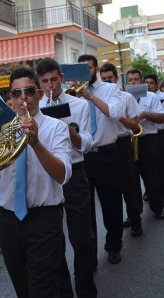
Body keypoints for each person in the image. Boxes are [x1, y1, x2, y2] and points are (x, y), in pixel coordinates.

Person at [0, 67, 72, 297]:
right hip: (8, 220)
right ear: (10, 100)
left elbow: (62, 174)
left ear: (40, 94)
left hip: (44, 219)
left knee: (42, 290)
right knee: (22, 289)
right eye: (16, 93)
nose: (23, 97)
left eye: (29, 91)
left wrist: (36, 143)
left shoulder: (56, 128)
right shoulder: (2, 132)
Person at [38, 58, 96, 298]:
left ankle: (85, 289)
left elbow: (87, 144)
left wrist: (68, 132)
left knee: (81, 238)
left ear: (61, 78)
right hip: (48, 175)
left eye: (54, 79)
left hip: (75, 171)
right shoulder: (36, 107)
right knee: (53, 242)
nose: (50, 86)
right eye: (44, 82)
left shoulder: (79, 105)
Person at [77, 54, 124, 265]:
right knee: (85, 212)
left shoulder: (110, 89)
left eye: (87, 68)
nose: (84, 72)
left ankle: (114, 246)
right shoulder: (73, 94)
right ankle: (90, 257)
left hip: (106, 153)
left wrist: (91, 97)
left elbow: (114, 113)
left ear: (95, 69)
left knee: (111, 204)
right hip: (83, 157)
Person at [99, 63, 143, 238]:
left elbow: (135, 126)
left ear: (116, 78)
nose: (108, 81)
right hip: (105, 148)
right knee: (110, 191)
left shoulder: (126, 97)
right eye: (104, 79)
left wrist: (118, 116)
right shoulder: (95, 98)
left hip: (123, 143)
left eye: (110, 78)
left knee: (129, 186)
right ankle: (115, 230)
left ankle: (135, 219)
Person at [126, 69, 164, 220]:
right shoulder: (122, 98)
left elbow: (162, 118)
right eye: (130, 80)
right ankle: (134, 214)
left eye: (136, 79)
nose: (134, 82)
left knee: (151, 177)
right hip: (129, 142)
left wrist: (145, 114)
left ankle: (157, 207)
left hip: (148, 140)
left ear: (141, 82)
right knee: (131, 181)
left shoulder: (151, 96)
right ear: (126, 82)